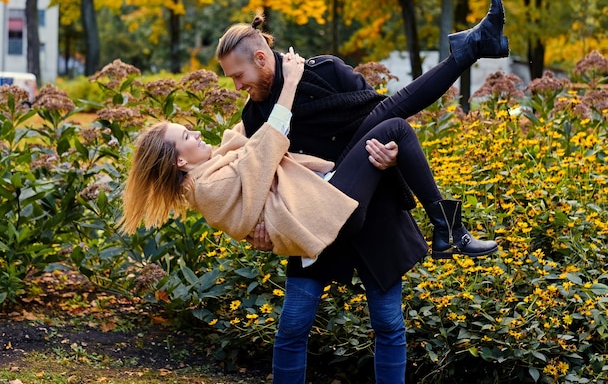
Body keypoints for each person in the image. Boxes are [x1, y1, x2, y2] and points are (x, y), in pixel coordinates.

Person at [213, 0, 508, 384]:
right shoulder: (255, 116)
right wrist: (260, 225)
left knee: (388, 323)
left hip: (369, 209)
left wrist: (390, 159)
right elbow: (265, 175)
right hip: (312, 220)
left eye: (238, 76)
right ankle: (467, 50)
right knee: (293, 326)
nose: (236, 86)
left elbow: (374, 121)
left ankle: (468, 49)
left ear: (261, 59)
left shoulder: (326, 71)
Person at [121, 49, 494, 262]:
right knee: (395, 124)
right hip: (324, 210)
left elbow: (242, 136)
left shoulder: (214, 165)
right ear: (180, 161)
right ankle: (449, 229)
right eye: (187, 135)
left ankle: (465, 51)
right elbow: (265, 146)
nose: (197, 131)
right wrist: (292, 82)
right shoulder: (207, 188)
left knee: (389, 115)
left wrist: (273, 71)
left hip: (324, 193)